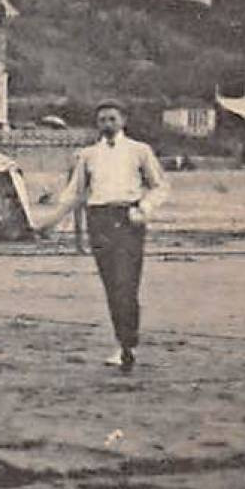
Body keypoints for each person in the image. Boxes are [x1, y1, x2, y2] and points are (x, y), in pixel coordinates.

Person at [42, 99, 168, 372]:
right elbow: (75, 192)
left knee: (126, 283)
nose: (107, 124)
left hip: (128, 220)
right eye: (102, 120)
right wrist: (50, 222)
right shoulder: (88, 155)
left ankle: (128, 344)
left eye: (112, 119)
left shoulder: (139, 151)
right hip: (98, 220)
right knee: (112, 285)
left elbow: (160, 187)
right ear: (97, 124)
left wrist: (144, 208)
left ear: (123, 120)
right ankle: (122, 345)